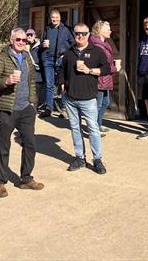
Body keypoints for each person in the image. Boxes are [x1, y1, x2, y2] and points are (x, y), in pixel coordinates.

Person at [0, 27, 44, 198]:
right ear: (12, 40)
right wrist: (6, 80)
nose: (21, 42)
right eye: (18, 39)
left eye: (24, 40)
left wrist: (33, 103)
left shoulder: (27, 57)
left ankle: (26, 178)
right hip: (8, 109)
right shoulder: (2, 57)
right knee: (4, 145)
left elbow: (32, 81)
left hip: (26, 109)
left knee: (30, 144)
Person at [59, 22, 112, 173]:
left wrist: (90, 70)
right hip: (70, 98)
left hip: (88, 98)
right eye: (77, 34)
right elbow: (61, 69)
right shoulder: (69, 52)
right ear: (74, 35)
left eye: (83, 33)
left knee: (93, 129)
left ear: (89, 34)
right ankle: (80, 158)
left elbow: (107, 68)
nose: (80, 36)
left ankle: (97, 159)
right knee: (75, 129)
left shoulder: (96, 51)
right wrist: (62, 83)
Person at [39, 10, 75, 118]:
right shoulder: (47, 28)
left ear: (60, 18)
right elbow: (41, 43)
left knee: (62, 84)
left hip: (60, 58)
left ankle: (64, 109)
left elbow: (73, 43)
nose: (54, 19)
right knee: (49, 84)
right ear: (50, 18)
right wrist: (43, 45)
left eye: (56, 17)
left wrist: (65, 52)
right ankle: (49, 108)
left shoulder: (65, 29)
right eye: (52, 17)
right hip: (48, 59)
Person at [89, 20, 118, 136]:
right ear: (100, 31)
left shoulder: (104, 44)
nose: (110, 31)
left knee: (105, 103)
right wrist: (116, 68)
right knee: (98, 104)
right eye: (107, 29)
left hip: (104, 78)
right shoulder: (97, 46)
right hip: (99, 78)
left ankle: (98, 125)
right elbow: (102, 65)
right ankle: (94, 128)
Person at [27, 29, 43, 101]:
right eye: (28, 35)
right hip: (27, 73)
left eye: (31, 35)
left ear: (34, 36)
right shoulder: (23, 45)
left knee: (36, 93)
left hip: (37, 73)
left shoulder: (39, 46)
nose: (29, 36)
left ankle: (34, 109)